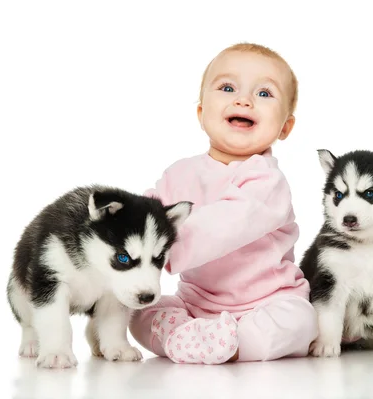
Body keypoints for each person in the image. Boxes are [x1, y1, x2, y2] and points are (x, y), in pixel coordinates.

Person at [129, 42, 317, 364]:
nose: (243, 100)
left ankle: (235, 343)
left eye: (264, 93)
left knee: (301, 320)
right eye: (228, 88)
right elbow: (143, 216)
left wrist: (162, 243)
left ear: (285, 126)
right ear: (201, 113)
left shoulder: (267, 180)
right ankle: (184, 334)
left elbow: (229, 222)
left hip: (267, 301)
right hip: (196, 303)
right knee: (139, 313)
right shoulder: (179, 174)